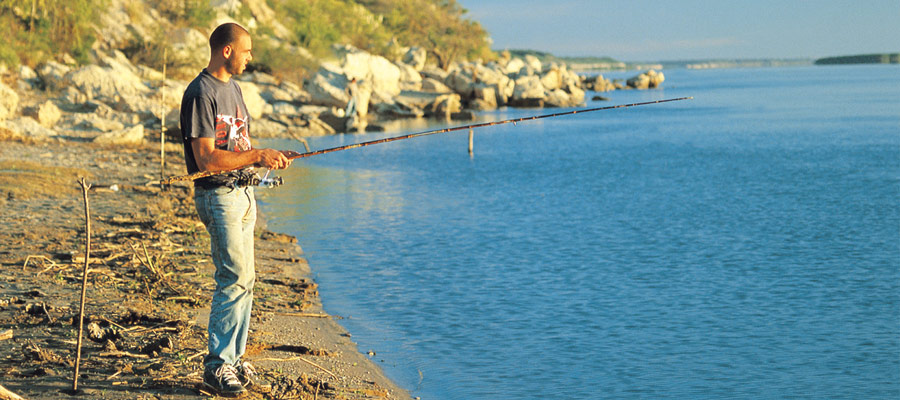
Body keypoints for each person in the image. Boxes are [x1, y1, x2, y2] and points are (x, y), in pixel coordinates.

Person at [179, 22, 291, 397]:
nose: (250, 57)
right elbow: (207, 158)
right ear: (227, 50)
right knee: (233, 277)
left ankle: (236, 359)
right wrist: (257, 154)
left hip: (244, 195)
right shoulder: (201, 92)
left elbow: (237, 145)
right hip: (218, 196)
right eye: (246, 50)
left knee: (247, 279)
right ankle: (217, 366)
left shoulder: (235, 89)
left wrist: (265, 159)